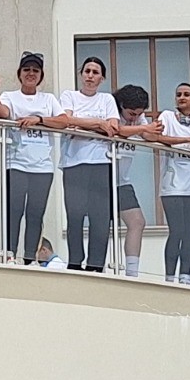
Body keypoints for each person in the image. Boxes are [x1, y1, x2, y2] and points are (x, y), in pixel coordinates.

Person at [0, 52, 68, 264]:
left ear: (41, 76)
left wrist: (38, 119)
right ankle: (9, 255)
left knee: (36, 214)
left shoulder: (48, 99)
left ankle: (30, 258)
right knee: (14, 211)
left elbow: (63, 121)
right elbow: (2, 113)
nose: (31, 74)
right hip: (16, 163)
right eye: (26, 70)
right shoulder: (9, 96)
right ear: (19, 74)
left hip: (42, 167)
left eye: (35, 70)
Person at [58, 57, 121, 271]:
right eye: (87, 71)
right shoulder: (69, 96)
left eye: (95, 72)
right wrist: (98, 124)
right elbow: (66, 121)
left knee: (100, 218)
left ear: (102, 78)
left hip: (101, 163)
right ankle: (75, 262)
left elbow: (113, 127)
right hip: (74, 163)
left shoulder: (107, 99)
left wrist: (82, 126)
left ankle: (96, 264)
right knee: (75, 215)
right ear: (81, 74)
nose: (90, 76)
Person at [154, 82, 190, 286]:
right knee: (176, 230)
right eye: (178, 94)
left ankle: (185, 276)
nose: (182, 98)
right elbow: (155, 137)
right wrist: (187, 139)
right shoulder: (167, 117)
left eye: (186, 94)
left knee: (189, 232)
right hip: (172, 185)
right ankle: (170, 277)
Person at [109, 85, 163, 278]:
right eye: (131, 113)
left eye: (139, 114)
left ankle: (132, 272)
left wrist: (149, 128)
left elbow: (149, 135)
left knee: (137, 222)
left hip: (122, 181)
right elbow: (117, 130)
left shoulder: (138, 120)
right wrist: (142, 128)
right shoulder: (111, 110)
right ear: (121, 105)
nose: (134, 118)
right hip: (102, 178)